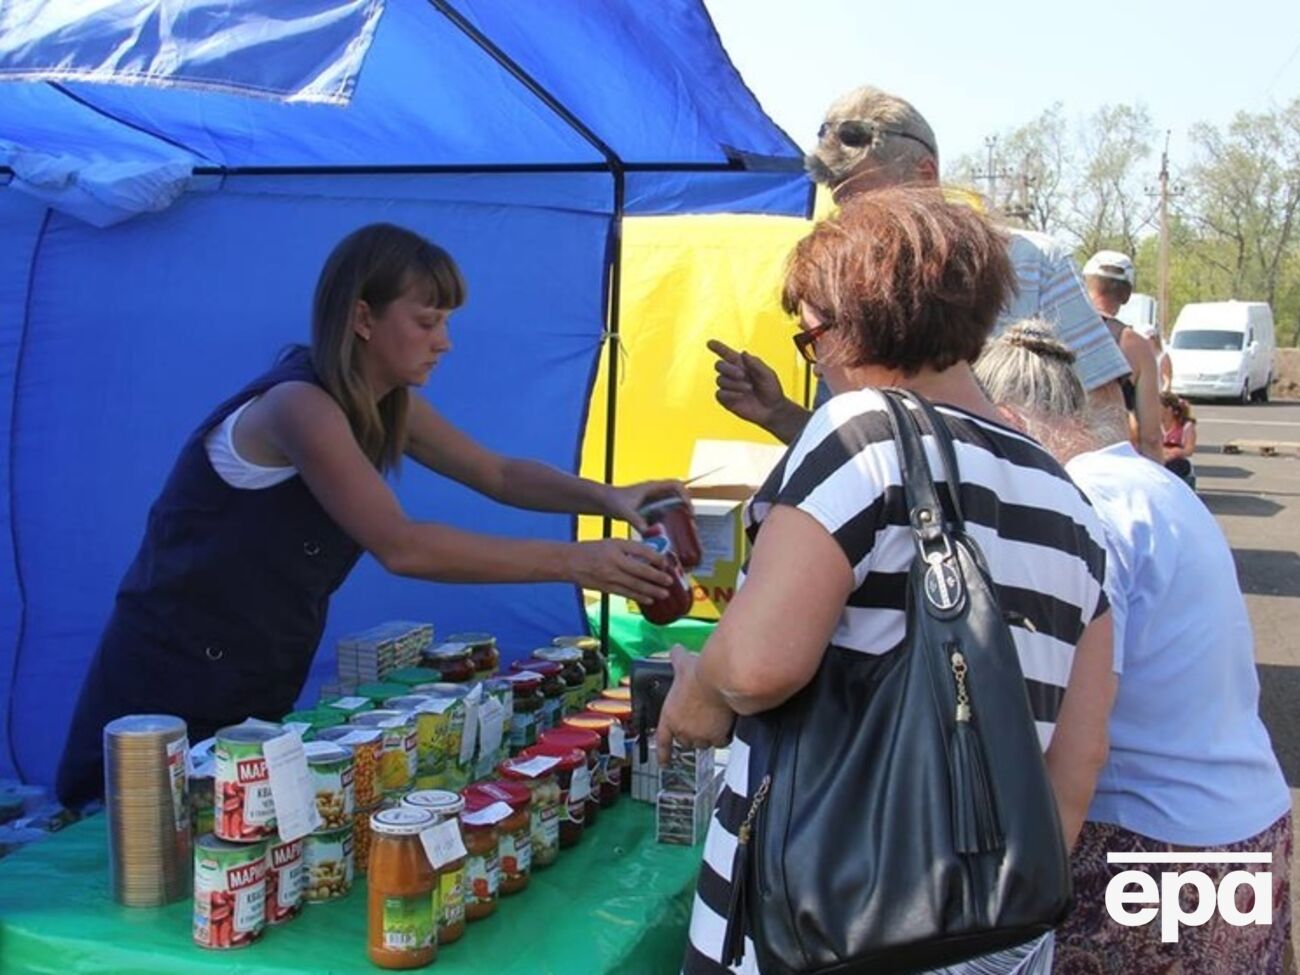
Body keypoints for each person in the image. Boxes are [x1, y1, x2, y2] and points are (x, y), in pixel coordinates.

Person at [56, 223, 681, 808]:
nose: (444, 342)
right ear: (362, 318)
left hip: (257, 671)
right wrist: (576, 561)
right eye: (427, 321)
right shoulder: (296, 406)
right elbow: (403, 546)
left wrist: (610, 497)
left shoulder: (385, 403)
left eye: (445, 322)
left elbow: (498, 474)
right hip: (167, 683)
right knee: (131, 846)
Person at [659, 189, 1116, 975]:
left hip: (821, 924)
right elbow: (1080, 755)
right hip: (993, 935)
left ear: (858, 321)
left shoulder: (862, 430)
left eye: (812, 335)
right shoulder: (1070, 500)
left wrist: (701, 687)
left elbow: (759, 665)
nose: (817, 360)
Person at [975, 322, 1291, 975]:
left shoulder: (1085, 510)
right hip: (1245, 827)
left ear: (1009, 422)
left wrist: (1015, 901)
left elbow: (1077, 738)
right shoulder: (1154, 485)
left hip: (1157, 851)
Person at [707, 85, 1131, 446]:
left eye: (869, 202)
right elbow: (856, 449)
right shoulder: (848, 292)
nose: (855, 224)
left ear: (926, 174)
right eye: (844, 207)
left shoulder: (1033, 263)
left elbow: (1107, 417)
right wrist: (779, 414)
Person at [1080, 250, 1162, 461]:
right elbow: (1151, 437)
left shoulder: (1054, 330)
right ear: (1126, 294)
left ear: (1084, 284)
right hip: (1110, 461)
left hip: (1056, 462)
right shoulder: (1135, 345)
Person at [1160, 390, 1198, 485]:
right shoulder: (1154, 425)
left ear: (1169, 409)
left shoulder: (1186, 426)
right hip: (1160, 459)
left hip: (1179, 463)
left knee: (1173, 466)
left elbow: (1189, 450)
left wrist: (1174, 452)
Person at [1133, 319, 1173, 392]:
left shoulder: (1162, 357)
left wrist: (1163, 394)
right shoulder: (1141, 356)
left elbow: (1167, 380)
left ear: (1152, 338)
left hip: (1157, 394)